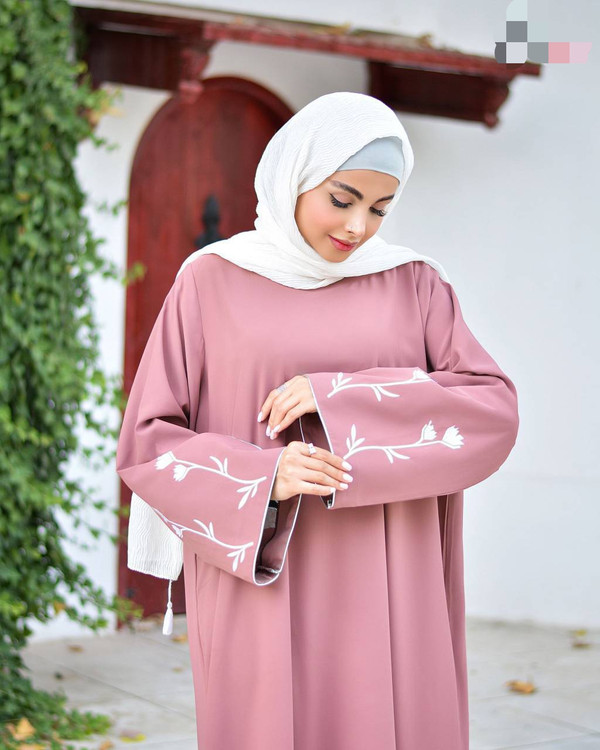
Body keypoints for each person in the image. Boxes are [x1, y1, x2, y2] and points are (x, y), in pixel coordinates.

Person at [116, 91, 519, 750]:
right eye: (342, 199)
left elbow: (490, 409)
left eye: (380, 208)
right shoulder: (210, 281)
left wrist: (340, 400)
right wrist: (262, 477)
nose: (358, 227)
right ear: (296, 174)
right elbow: (147, 442)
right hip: (262, 572)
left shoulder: (415, 283)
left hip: (391, 571)